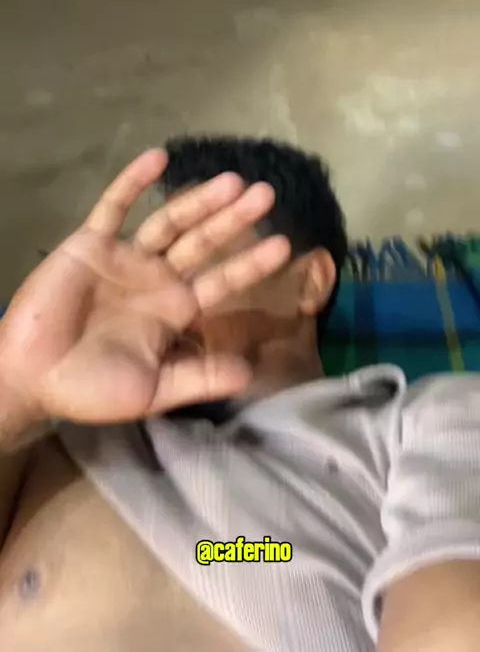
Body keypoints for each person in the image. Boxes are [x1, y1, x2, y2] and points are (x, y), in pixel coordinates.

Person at [0, 137, 480, 652]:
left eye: (185, 259)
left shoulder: (427, 419)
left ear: (308, 283)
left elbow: (453, 624)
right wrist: (17, 391)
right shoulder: (52, 437)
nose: (146, 302)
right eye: (137, 268)